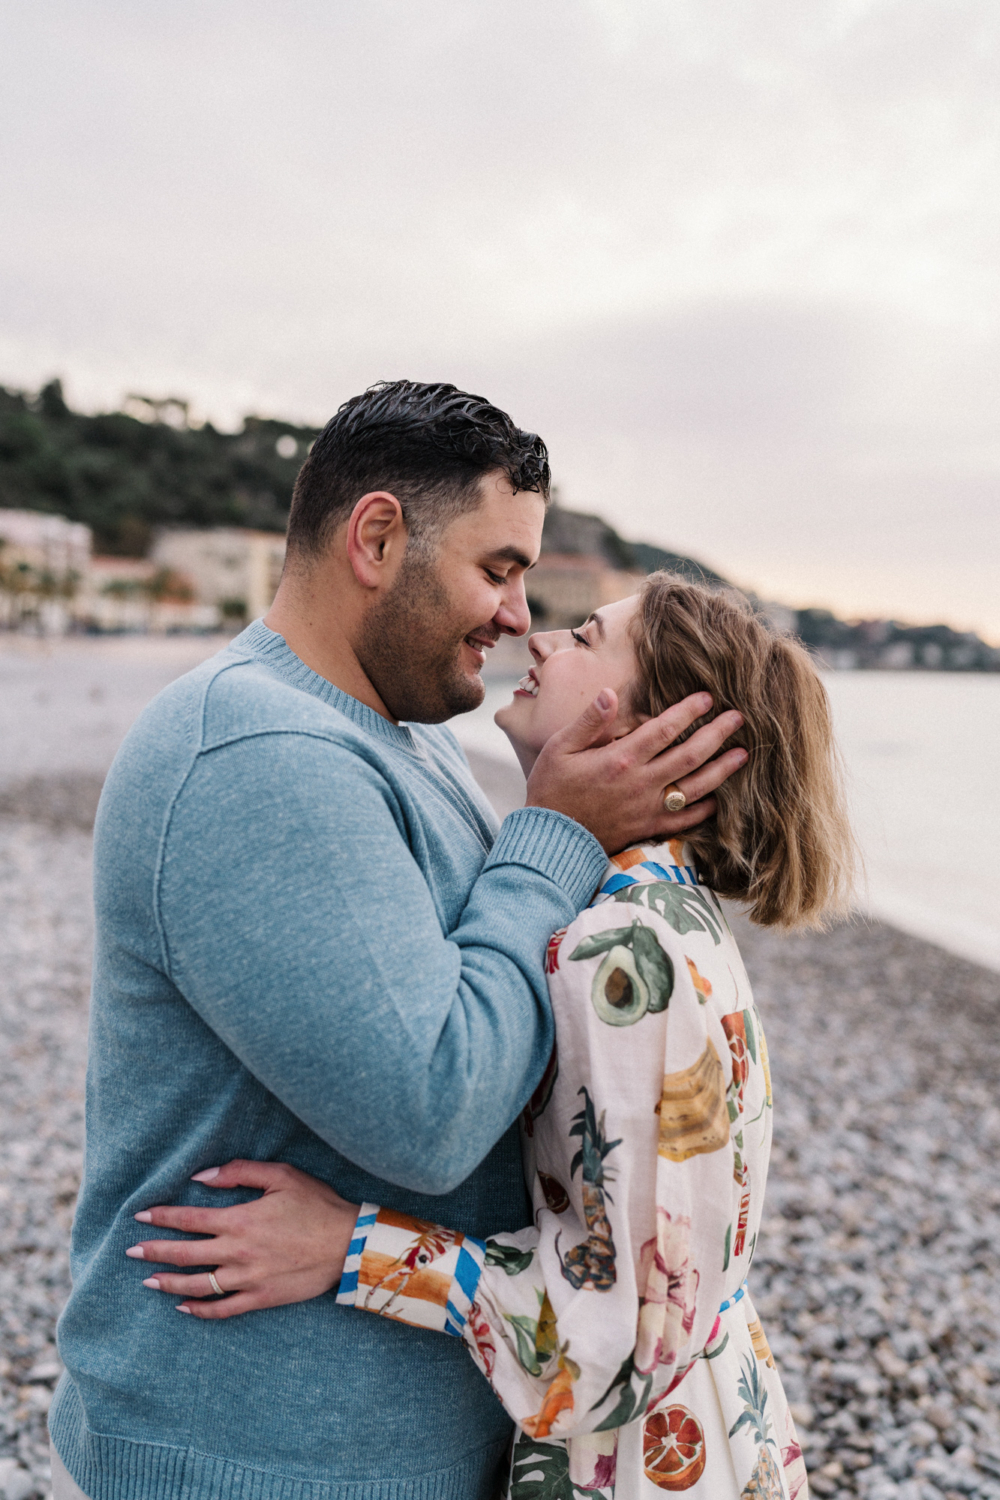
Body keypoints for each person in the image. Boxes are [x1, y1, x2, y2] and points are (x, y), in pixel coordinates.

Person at [50, 382, 746, 1500]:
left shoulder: (393, 736)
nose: (518, 616)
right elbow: (433, 1109)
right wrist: (557, 832)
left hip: (360, 1450)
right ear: (376, 537)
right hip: (251, 1460)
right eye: (498, 569)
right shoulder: (257, 754)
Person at [130, 575, 855, 1497]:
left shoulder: (620, 954)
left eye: (588, 636)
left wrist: (351, 1246)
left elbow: (617, 1349)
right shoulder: (667, 916)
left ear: (656, 729)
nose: (541, 638)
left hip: (645, 1465)